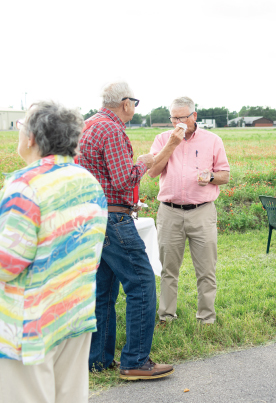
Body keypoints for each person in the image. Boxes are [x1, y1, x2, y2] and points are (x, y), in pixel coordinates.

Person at [0, 102, 107, 402]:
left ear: (32, 137)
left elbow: (7, 264)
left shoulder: (25, 185)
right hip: (75, 311)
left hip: (30, 321)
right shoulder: (88, 182)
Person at [78, 81, 173, 380]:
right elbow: (122, 180)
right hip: (115, 217)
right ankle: (135, 361)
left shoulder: (89, 125)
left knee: (104, 290)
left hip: (93, 217)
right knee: (142, 284)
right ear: (125, 102)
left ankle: (98, 359)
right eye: (135, 101)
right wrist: (143, 163)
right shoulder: (112, 129)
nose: (134, 106)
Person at [148, 97, 230, 325]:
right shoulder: (162, 139)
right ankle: (166, 315)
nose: (177, 122)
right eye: (173, 117)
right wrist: (172, 144)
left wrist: (211, 177)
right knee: (168, 269)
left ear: (194, 116)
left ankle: (206, 318)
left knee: (206, 269)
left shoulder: (213, 140)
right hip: (169, 211)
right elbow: (152, 171)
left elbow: (224, 175)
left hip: (202, 211)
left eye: (181, 117)